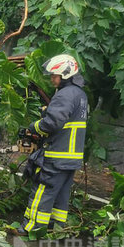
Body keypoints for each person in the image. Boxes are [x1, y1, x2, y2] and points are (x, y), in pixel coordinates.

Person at [15, 54, 87, 235]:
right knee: (61, 194)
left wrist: (33, 127)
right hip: (72, 157)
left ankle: (31, 228)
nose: (51, 78)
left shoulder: (64, 95)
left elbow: (52, 123)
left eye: (54, 75)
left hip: (57, 155)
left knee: (43, 190)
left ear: (65, 75)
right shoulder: (80, 94)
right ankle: (56, 228)